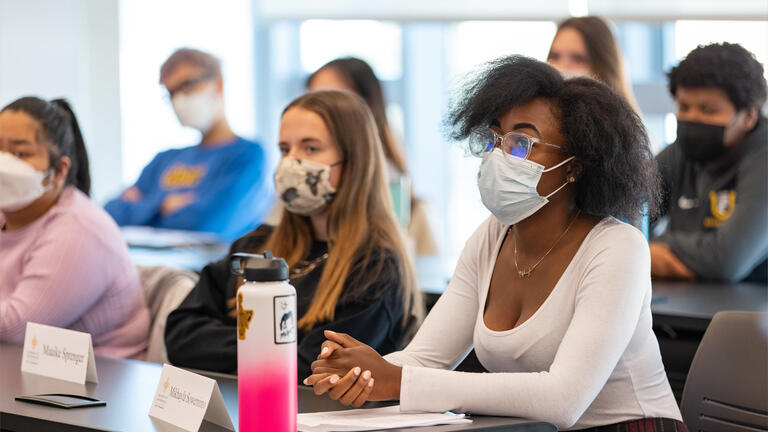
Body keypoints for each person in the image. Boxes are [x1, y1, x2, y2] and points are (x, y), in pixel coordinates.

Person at [305, 56, 685, 431]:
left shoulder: (618, 247)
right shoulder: (492, 235)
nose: (498, 155)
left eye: (521, 143)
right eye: (493, 138)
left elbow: (563, 399)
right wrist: (360, 373)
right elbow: (425, 358)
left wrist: (398, 380)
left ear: (574, 166)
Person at [165, 90, 423, 382]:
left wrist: (230, 346)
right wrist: (279, 348)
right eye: (285, 149)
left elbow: (309, 368)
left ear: (354, 162)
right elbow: (181, 335)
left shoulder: (374, 268)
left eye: (311, 149)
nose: (291, 162)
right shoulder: (256, 245)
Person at [0, 97, 149, 359]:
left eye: (20, 153)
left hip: (94, 388)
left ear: (58, 171)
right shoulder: (9, 215)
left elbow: (15, 328)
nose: (4, 163)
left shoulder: (79, 229)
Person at [105, 48, 273, 242]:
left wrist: (143, 208)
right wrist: (161, 205)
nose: (179, 100)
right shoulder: (165, 159)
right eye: (171, 93)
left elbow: (209, 225)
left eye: (188, 86)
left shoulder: (248, 155)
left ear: (218, 84)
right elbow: (111, 214)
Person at [650, 42, 767, 283]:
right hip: (681, 308)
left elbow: (726, 260)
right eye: (684, 107)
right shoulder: (678, 152)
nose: (692, 118)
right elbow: (621, 220)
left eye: (708, 110)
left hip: (749, 316)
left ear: (748, 117)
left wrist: (648, 249)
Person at [307, 57, 438, 256]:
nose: (317, 115)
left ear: (368, 107)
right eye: (311, 101)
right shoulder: (301, 190)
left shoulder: (410, 207)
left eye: (333, 101)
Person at [547, 16, 639, 111]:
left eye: (578, 59)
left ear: (604, 66)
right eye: (554, 56)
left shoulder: (622, 122)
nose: (562, 67)